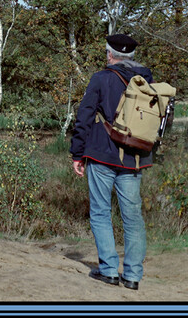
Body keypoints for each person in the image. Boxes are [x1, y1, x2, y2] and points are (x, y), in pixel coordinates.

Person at [70, 33, 154, 291]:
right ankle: (132, 276)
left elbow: (84, 116)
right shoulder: (147, 80)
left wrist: (77, 153)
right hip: (134, 158)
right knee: (132, 217)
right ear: (131, 56)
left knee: (100, 211)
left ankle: (108, 270)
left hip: (101, 154)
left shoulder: (101, 79)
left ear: (110, 54)